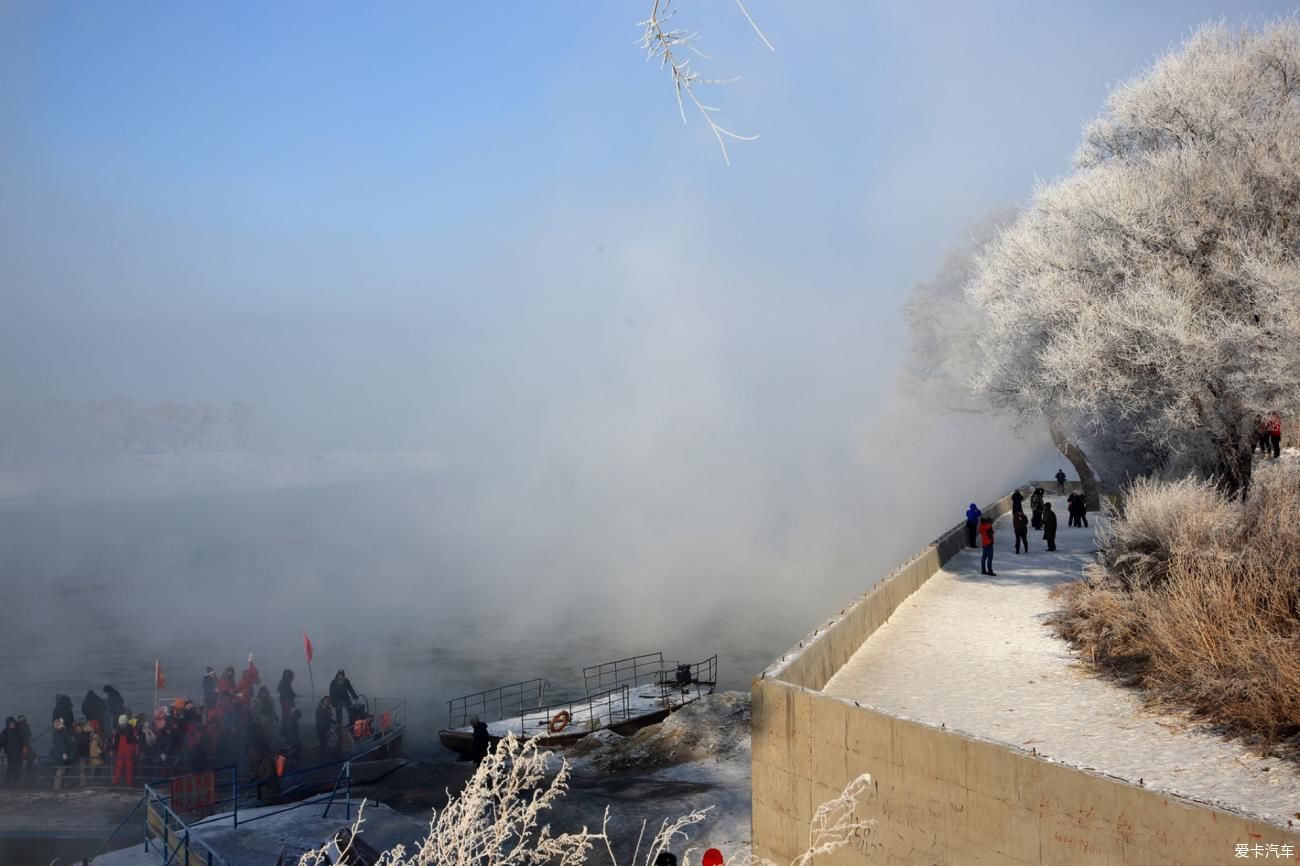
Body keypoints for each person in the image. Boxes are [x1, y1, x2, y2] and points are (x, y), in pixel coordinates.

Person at [329, 670, 358, 739]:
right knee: (339, 715)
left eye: (342, 674)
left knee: (350, 713)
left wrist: (355, 696)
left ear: (343, 675)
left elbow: (350, 689)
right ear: (337, 675)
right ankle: (339, 729)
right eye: (339, 674)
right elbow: (331, 692)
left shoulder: (346, 681)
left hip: (346, 700)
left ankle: (351, 726)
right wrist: (332, 702)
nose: (340, 676)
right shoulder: (333, 682)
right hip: (337, 701)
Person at [112, 715, 136, 786]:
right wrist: (113, 749)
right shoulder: (129, 730)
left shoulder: (128, 730)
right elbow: (116, 742)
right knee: (119, 768)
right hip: (122, 752)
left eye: (122, 724)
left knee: (128, 768)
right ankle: (116, 782)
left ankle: (128, 783)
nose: (121, 725)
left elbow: (134, 741)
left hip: (127, 752)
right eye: (120, 724)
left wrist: (113, 749)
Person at [50, 717, 73, 791]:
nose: (59, 726)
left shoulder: (62, 732)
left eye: (60, 724)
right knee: (61, 770)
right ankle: (57, 787)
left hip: (63, 754)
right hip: (61, 754)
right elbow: (61, 744)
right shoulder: (59, 733)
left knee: (64, 770)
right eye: (58, 724)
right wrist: (64, 753)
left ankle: (64, 785)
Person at [1, 717, 22, 784]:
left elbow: (22, 741)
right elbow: (1, 742)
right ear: (8, 724)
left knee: (17, 767)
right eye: (10, 724)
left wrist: (23, 748)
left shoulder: (18, 731)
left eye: (13, 724)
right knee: (10, 766)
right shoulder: (5, 732)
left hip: (18, 752)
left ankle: (16, 781)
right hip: (10, 753)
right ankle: (7, 781)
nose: (12, 725)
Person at [277, 670, 297, 741]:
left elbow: (290, 693)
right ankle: (284, 735)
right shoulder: (284, 683)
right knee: (285, 719)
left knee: (285, 718)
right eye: (291, 676)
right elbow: (287, 693)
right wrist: (292, 695)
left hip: (286, 703)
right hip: (286, 703)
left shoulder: (285, 683)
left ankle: (284, 734)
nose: (292, 678)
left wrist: (294, 695)